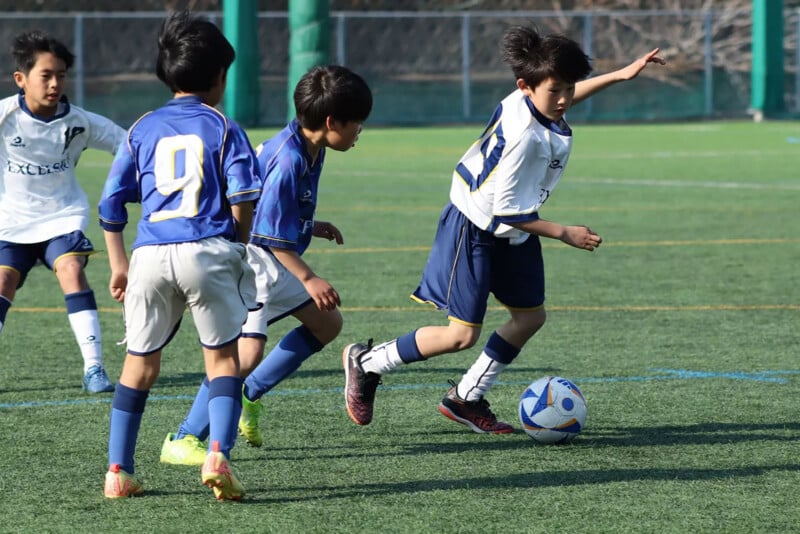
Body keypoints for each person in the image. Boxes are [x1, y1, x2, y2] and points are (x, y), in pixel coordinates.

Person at [343, 25, 666, 434]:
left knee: (529, 318)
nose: (565, 99)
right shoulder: (524, 138)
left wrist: (619, 74)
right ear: (526, 86)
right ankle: (367, 362)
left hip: (512, 229)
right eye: (556, 91)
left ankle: (465, 397)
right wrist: (565, 232)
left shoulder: (529, 99)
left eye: (570, 87)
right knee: (460, 335)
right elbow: (507, 212)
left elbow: (561, 96)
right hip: (476, 226)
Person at [159, 64, 373, 465]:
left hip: (273, 259)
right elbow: (267, 234)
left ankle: (249, 393)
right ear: (330, 122)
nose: (360, 130)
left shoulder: (312, 145)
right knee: (242, 357)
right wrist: (309, 277)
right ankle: (183, 438)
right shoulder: (290, 159)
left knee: (327, 324)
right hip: (253, 263)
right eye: (357, 123)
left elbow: (275, 212)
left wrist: (311, 224)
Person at [98, 11, 261, 500]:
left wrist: (119, 263)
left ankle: (118, 471)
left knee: (139, 365)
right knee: (223, 361)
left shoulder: (142, 127)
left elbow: (110, 204)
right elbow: (245, 195)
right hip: (206, 249)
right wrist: (237, 240)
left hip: (149, 255)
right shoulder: (224, 127)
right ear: (218, 77)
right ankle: (217, 456)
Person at [0, 30, 127, 393]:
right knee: (2, 282)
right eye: (46, 75)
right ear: (21, 79)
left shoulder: (79, 122)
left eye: (61, 75)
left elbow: (128, 144)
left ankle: (95, 370)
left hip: (62, 217)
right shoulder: (5, 117)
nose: (55, 83)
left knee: (71, 268)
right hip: (11, 221)